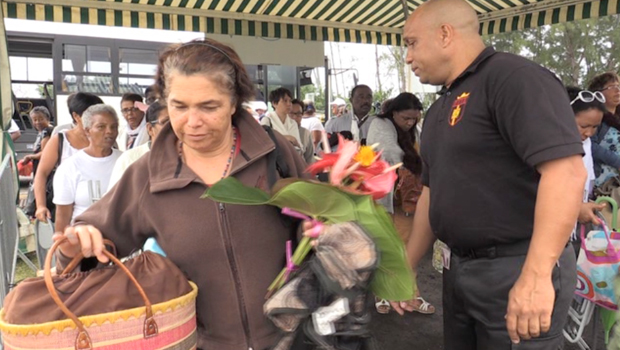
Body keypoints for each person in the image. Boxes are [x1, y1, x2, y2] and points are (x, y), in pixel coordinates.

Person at [53, 38, 310, 350]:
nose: (192, 122)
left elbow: (314, 220)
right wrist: (76, 243)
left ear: (233, 103)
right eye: (179, 106)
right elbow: (92, 242)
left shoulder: (274, 153)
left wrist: (320, 230)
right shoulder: (148, 175)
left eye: (209, 106)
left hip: (292, 339)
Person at [393, 1, 586, 349]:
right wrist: (406, 265)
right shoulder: (439, 108)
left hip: (518, 265)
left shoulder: (513, 79)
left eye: (411, 42)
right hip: (460, 270)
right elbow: (432, 193)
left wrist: (536, 276)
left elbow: (566, 173)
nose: (407, 56)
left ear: (445, 34)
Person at [367, 92, 434, 315]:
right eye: (406, 118)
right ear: (393, 112)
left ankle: (409, 293)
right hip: (386, 197)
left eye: (414, 119)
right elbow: (390, 154)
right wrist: (419, 167)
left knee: (409, 247)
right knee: (387, 247)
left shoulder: (414, 130)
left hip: (409, 200)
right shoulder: (379, 123)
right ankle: (383, 292)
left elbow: (426, 154)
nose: (410, 123)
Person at [34, 92, 103, 223]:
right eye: (91, 115)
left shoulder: (106, 140)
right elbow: (42, 173)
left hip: (99, 212)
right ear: (76, 116)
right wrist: (41, 206)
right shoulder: (60, 140)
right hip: (65, 213)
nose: (97, 119)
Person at [53, 104, 121, 233]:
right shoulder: (70, 167)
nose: (109, 131)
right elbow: (63, 216)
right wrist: (63, 248)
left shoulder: (126, 161)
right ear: (87, 131)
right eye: (101, 127)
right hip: (83, 243)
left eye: (114, 127)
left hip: (122, 244)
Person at [566, 87, 608, 232]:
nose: (589, 133)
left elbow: (588, 180)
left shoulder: (586, 143)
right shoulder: (552, 147)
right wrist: (576, 208)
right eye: (584, 126)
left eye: (595, 127)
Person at [107, 101, 169, 191]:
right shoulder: (129, 159)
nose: (172, 127)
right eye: (166, 122)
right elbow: (113, 199)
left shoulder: (187, 157)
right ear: (150, 129)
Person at [587, 72, 620, 186]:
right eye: (612, 87)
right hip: (604, 185)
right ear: (598, 93)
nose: (617, 90)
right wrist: (617, 162)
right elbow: (590, 146)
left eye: (618, 86)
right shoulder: (595, 118)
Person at [260, 87, 304, 153]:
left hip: (291, 159)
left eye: (290, 101)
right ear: (274, 103)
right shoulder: (267, 120)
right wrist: (287, 138)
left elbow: (299, 146)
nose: (289, 104)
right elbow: (264, 142)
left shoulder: (293, 123)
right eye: (285, 101)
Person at [22, 106, 54, 175]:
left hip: (45, 171)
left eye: (41, 119)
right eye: (35, 120)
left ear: (47, 119)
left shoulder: (47, 131)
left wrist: (29, 157)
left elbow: (44, 153)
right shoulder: (42, 131)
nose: (38, 122)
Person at [290, 99, 314, 164]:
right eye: (291, 113)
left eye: (298, 114)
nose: (295, 117)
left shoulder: (305, 133)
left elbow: (309, 158)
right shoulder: (280, 130)